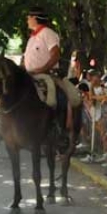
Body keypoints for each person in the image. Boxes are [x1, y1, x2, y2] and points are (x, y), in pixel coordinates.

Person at [23, 7, 78, 135]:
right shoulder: (32, 37)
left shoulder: (48, 33)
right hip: (30, 75)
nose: (27, 19)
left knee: (55, 98)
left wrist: (42, 69)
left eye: (29, 17)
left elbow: (55, 55)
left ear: (35, 19)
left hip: (46, 74)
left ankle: (58, 125)